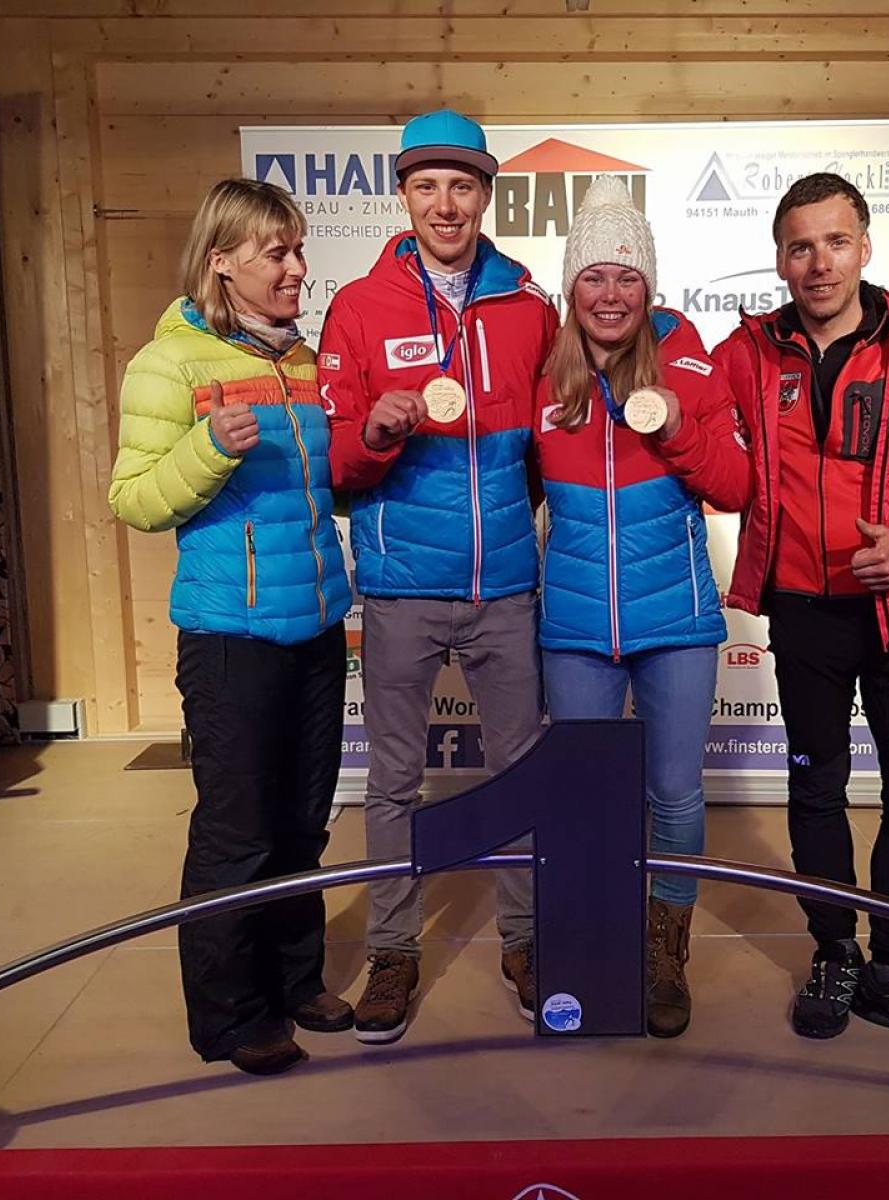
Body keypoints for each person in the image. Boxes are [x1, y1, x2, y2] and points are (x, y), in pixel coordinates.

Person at [713, 172, 889, 1059]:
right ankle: (836, 953)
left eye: (835, 242)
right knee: (815, 789)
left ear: (866, 247)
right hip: (804, 615)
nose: (818, 263)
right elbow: (683, 417)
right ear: (779, 257)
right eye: (800, 246)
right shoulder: (749, 351)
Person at [319, 110, 557, 1044]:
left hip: (505, 585)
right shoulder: (359, 306)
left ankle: (526, 939)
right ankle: (394, 952)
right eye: (427, 185)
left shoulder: (528, 304)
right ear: (405, 196)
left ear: (486, 195)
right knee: (392, 781)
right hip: (401, 585)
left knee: (520, 773)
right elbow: (338, 465)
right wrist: (376, 433)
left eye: (462, 186)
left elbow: (553, 448)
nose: (445, 203)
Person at [108, 178, 353, 1076]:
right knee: (236, 832)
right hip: (228, 638)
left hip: (317, 626)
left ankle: (296, 981)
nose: (296, 268)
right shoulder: (167, 364)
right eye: (275, 253)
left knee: (302, 823)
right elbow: (132, 499)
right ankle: (227, 1013)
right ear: (222, 262)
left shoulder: (305, 361)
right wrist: (209, 447)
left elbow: (329, 487)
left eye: (297, 249)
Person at [535, 176, 751, 1038]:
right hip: (577, 626)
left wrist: (672, 428)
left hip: (678, 622)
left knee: (673, 793)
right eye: (594, 276)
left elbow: (734, 485)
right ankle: (591, 943)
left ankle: (667, 944)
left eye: (628, 276)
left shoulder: (691, 360)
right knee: (587, 796)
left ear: (650, 287)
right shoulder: (544, 375)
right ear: (571, 287)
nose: (611, 293)